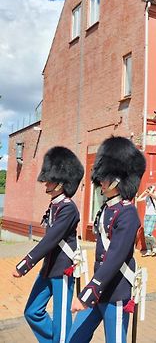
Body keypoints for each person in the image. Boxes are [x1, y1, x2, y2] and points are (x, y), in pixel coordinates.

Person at [68, 136, 146, 342]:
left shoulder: (128, 214)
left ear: (118, 178)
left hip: (116, 291)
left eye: (106, 176)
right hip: (99, 289)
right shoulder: (106, 208)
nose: (101, 181)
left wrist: (87, 293)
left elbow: (115, 257)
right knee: (74, 338)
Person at [13, 146, 84, 343]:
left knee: (62, 323)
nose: (47, 181)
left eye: (51, 179)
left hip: (62, 270)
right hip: (48, 268)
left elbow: (50, 239)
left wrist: (24, 264)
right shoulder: (54, 205)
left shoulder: (69, 209)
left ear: (61, 183)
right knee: (32, 311)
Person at [136, 185, 156, 257]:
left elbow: (153, 195)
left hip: (153, 216)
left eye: (149, 189)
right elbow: (138, 199)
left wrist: (151, 190)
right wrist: (144, 192)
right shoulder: (147, 197)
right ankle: (149, 250)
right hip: (146, 216)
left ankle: (155, 246)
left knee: (147, 234)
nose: (148, 190)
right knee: (145, 235)